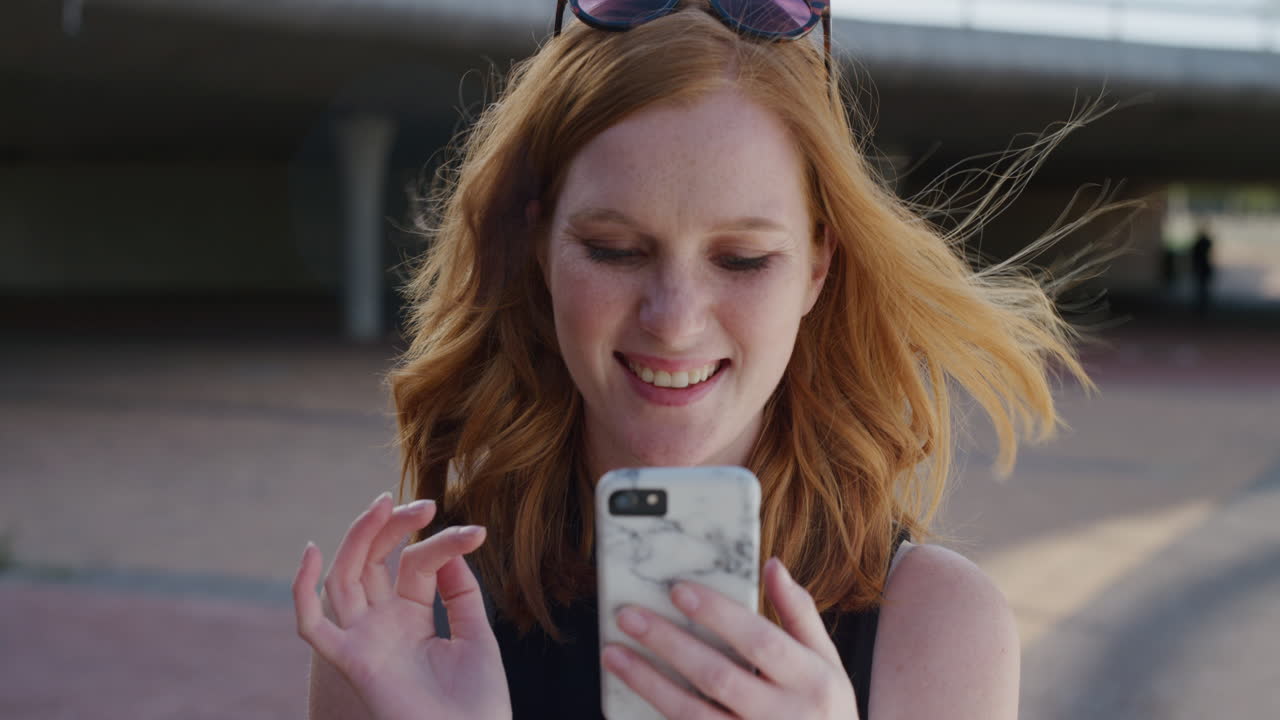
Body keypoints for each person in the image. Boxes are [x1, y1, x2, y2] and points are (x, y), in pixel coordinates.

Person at [293, 2, 1097, 718]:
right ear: (538, 247)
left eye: (742, 259)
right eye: (613, 250)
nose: (673, 321)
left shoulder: (939, 630)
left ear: (819, 266)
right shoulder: (407, 619)